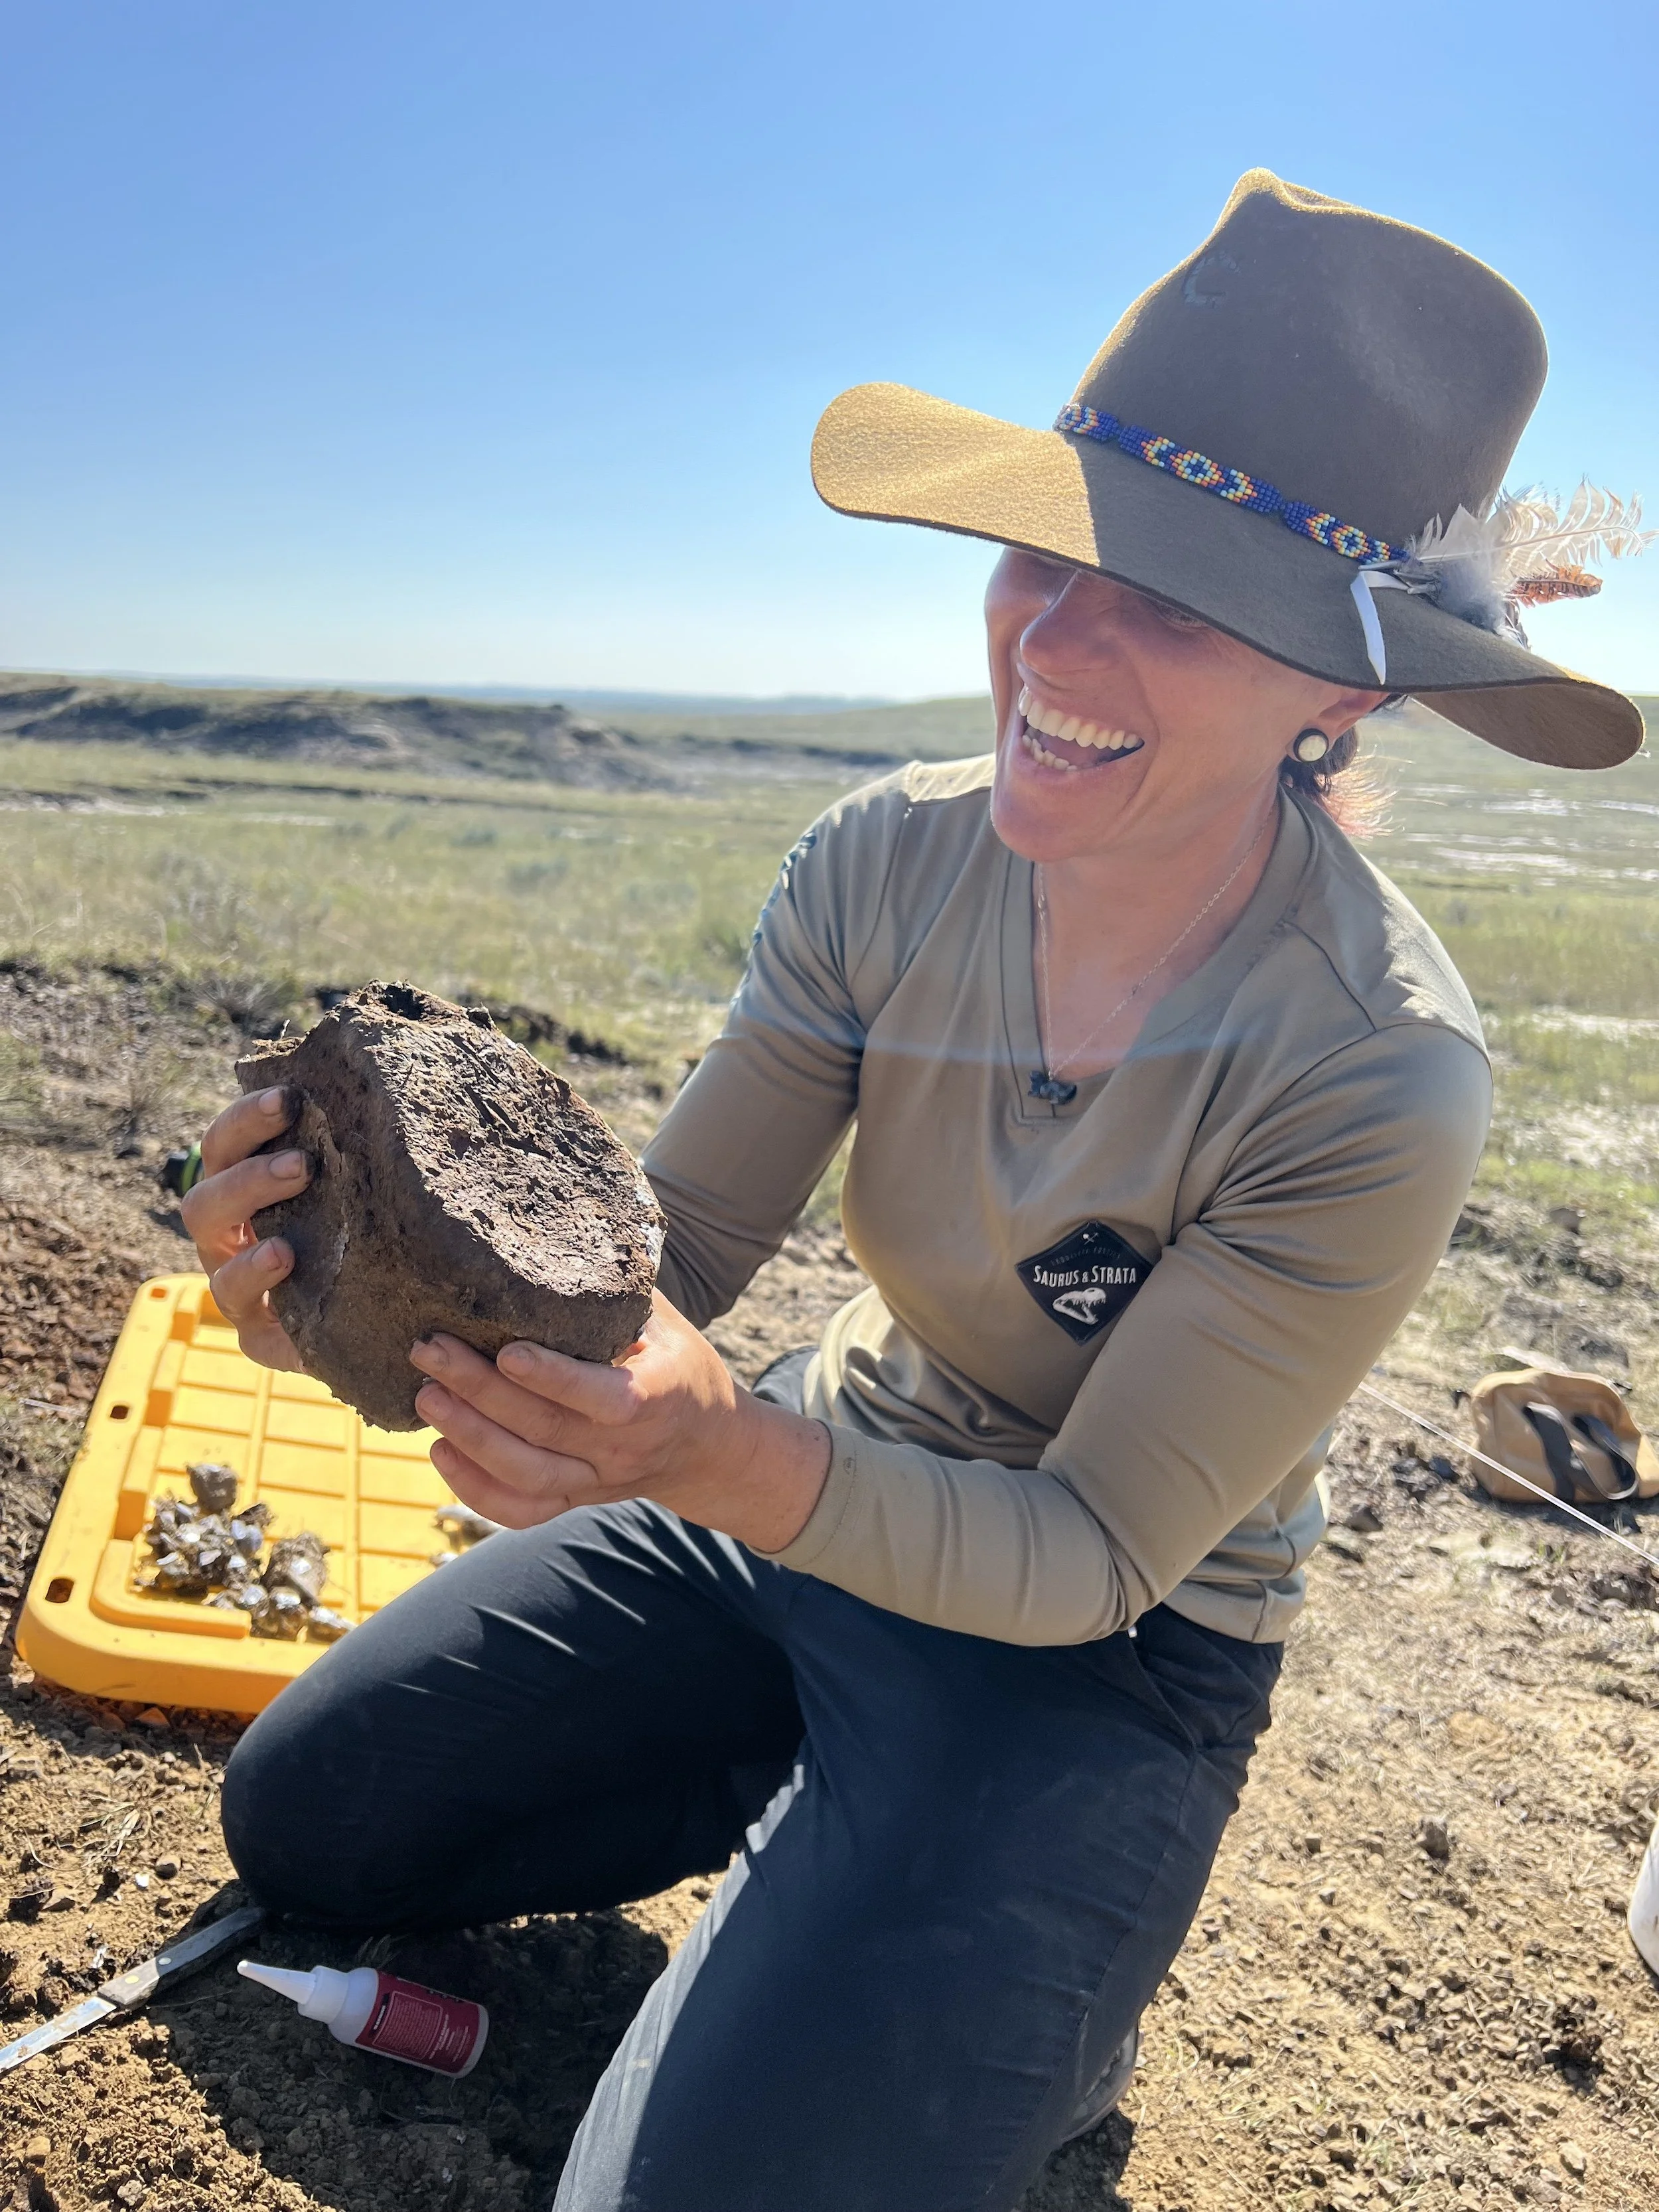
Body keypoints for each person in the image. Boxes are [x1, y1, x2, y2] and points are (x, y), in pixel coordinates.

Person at [190, 172, 1644, 2211]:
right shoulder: (885, 861)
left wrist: (701, 1458)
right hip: (815, 1467)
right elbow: (667, 1256)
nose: (1056, 635)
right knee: (311, 1822)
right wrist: (334, 1275)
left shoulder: (1372, 1068)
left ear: (1345, 689)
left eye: (1177, 596)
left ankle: (997, 1937)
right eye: (1049, 553)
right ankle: (840, 1847)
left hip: (1101, 1648)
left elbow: (1083, 1552)